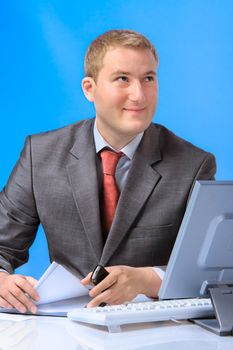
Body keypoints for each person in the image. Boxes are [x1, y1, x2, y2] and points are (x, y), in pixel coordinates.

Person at [0, 30, 216, 313]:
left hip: (154, 328)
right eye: (123, 79)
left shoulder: (193, 164)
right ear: (89, 89)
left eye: (148, 78)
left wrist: (146, 280)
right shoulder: (40, 154)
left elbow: (206, 270)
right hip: (62, 326)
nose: (139, 95)